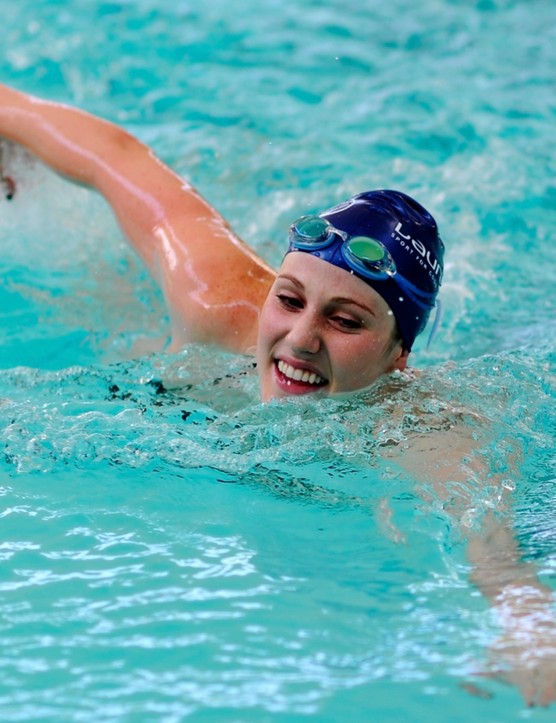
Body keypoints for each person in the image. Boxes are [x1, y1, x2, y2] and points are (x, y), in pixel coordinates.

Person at [1, 83, 555, 707]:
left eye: (346, 321)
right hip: (164, 352)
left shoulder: (424, 432)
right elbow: (121, 161)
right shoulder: (215, 302)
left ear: (400, 356)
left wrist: (531, 633)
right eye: (288, 300)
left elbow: (498, 557)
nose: (299, 339)